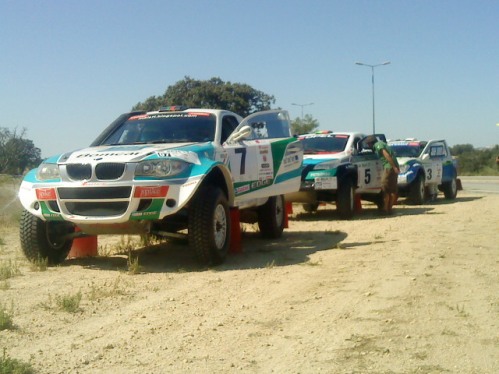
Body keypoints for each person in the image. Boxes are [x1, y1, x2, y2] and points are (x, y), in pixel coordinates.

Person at [366, 135, 400, 214]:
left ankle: (385, 209)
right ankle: (389, 209)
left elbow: (386, 155)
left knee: (385, 187)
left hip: (389, 167)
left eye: (368, 144)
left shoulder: (378, 145)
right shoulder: (382, 143)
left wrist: (393, 167)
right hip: (392, 166)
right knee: (391, 188)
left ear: (371, 143)